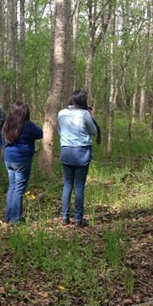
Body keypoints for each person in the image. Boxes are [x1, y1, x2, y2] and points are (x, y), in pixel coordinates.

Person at [58, 90, 97, 227]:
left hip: (66, 150)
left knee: (68, 184)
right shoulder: (85, 114)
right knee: (79, 186)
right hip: (81, 151)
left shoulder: (61, 113)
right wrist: (92, 116)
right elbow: (93, 131)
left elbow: (60, 130)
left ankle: (64, 216)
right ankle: (79, 219)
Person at [1, 101, 43, 224]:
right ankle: (15, 219)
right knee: (19, 189)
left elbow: (1, 138)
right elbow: (39, 133)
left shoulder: (7, 124)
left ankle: (8, 217)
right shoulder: (27, 125)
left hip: (9, 159)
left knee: (12, 187)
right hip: (22, 160)